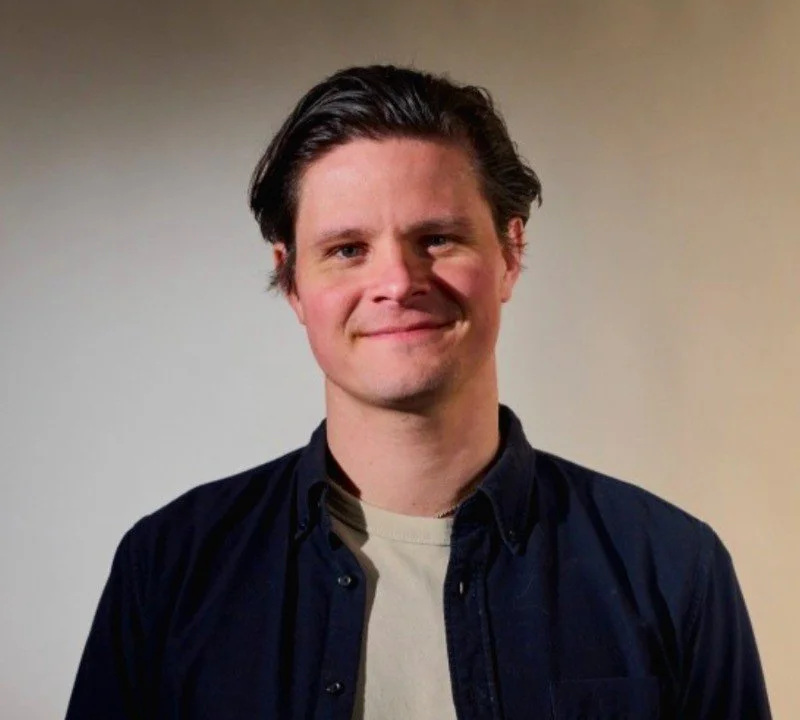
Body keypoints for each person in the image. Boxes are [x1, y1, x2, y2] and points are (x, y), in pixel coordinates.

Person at [66, 65, 771, 719]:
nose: (398, 283)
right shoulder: (169, 571)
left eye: (436, 238)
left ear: (510, 254)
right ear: (291, 281)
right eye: (347, 249)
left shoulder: (673, 569)